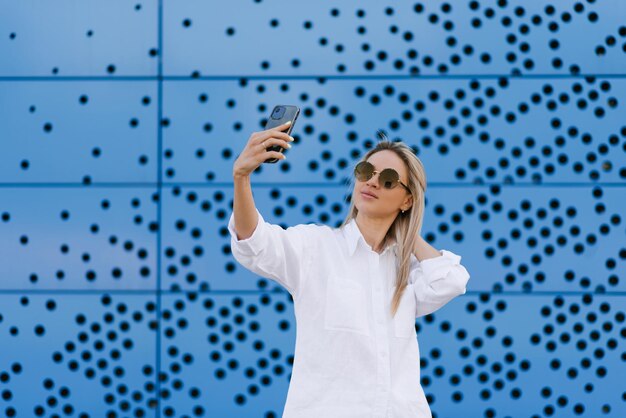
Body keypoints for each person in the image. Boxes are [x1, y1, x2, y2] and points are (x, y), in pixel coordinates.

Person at [229, 122, 471, 418]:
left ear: (407, 200)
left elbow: (450, 281)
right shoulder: (315, 247)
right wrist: (241, 178)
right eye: (365, 172)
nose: (371, 182)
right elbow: (253, 243)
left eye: (389, 180)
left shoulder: (406, 269)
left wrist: (406, 232)